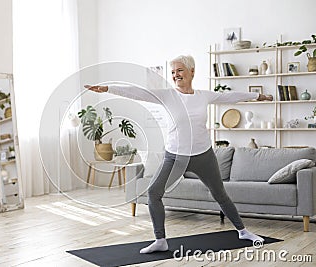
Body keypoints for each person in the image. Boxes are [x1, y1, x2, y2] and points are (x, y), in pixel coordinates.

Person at [85, 55, 272, 254]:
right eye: (173, 72)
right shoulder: (167, 95)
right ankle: (160, 240)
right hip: (175, 157)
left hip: (203, 155)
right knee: (153, 193)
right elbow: (138, 93)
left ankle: (242, 231)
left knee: (220, 195)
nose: (176, 75)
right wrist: (108, 89)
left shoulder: (203, 95)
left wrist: (258, 97)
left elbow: (231, 96)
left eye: (180, 70)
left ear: (192, 71)